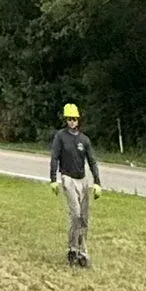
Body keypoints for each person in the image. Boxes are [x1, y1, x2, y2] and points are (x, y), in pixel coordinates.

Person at [49, 101, 102, 267]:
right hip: (68, 178)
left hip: (82, 180)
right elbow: (54, 158)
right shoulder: (60, 137)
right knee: (76, 214)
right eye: (69, 119)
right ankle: (73, 249)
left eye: (74, 118)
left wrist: (97, 182)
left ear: (78, 120)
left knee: (84, 218)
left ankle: (82, 252)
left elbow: (92, 161)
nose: (72, 121)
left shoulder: (84, 140)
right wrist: (53, 180)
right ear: (66, 120)